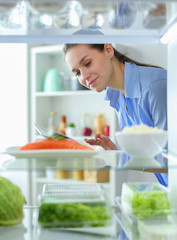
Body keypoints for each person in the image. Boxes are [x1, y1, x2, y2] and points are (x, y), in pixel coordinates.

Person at [63, 43, 168, 186]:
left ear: (108, 50)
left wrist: (123, 157)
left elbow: (170, 159)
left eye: (87, 63)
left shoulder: (155, 87)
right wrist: (116, 153)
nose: (84, 76)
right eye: (77, 73)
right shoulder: (117, 96)